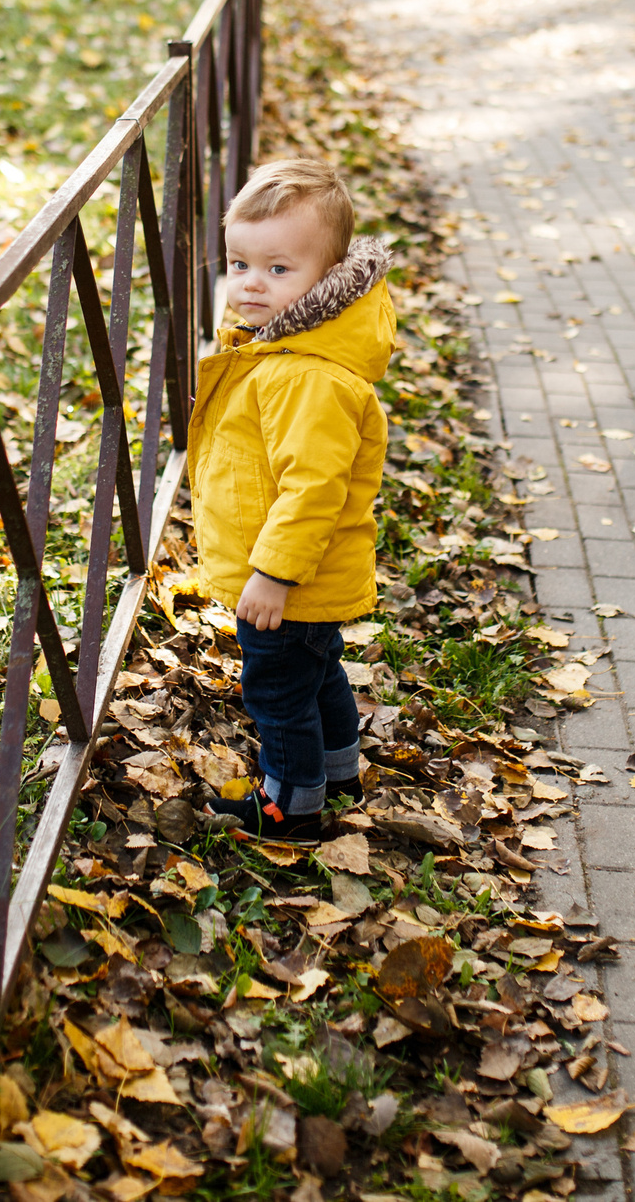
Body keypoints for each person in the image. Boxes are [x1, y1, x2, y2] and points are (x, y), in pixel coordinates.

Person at [188, 158, 394, 840]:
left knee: (277, 690)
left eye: (279, 269)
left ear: (328, 276)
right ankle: (337, 768)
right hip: (298, 575)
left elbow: (314, 489)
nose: (251, 282)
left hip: (287, 578)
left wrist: (273, 574)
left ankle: (291, 804)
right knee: (317, 670)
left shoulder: (310, 376)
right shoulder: (282, 347)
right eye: (240, 262)